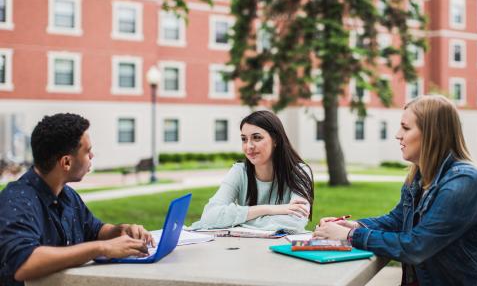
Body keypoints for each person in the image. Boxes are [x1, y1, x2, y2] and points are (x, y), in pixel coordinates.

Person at [314, 95, 477, 285]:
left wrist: (349, 237)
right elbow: (397, 221)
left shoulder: (463, 182)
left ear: (432, 135)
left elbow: (416, 246)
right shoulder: (418, 177)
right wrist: (354, 226)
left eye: (406, 128)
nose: (397, 135)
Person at [0, 113, 154, 286]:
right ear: (66, 162)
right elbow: (24, 264)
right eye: (87, 151)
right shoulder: (18, 200)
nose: (92, 156)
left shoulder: (67, 195)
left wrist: (121, 231)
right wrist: (102, 248)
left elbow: (95, 230)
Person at [190, 110, 314, 233]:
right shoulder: (239, 171)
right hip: (246, 248)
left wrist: (236, 221)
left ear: (275, 140)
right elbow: (209, 216)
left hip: (283, 248)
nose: (249, 146)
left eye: (257, 138)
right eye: (244, 139)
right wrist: (271, 209)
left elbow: (295, 223)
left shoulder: (300, 172)